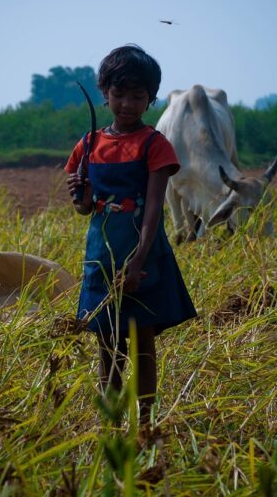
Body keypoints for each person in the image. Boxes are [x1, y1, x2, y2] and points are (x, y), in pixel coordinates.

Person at [65, 45, 197, 424]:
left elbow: (154, 206)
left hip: (142, 253)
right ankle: (111, 421)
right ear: (104, 92)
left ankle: (146, 422)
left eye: (138, 96)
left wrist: (138, 263)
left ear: (151, 99)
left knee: (141, 341)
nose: (127, 104)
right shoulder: (89, 145)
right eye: (119, 94)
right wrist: (82, 195)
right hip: (101, 255)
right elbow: (85, 208)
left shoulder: (155, 144)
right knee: (106, 342)